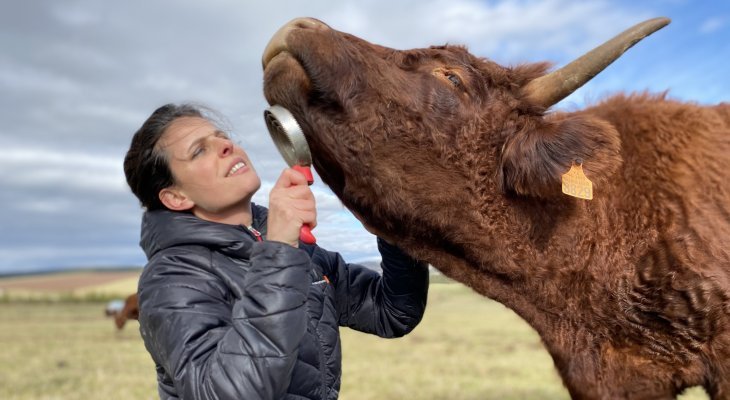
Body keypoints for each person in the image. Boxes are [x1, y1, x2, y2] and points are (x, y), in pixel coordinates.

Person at [123, 103, 429, 400]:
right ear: (176, 197)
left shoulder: (300, 252)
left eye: (222, 136)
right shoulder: (171, 279)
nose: (226, 146)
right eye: (199, 150)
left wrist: (390, 220)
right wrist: (280, 249)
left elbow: (392, 313)